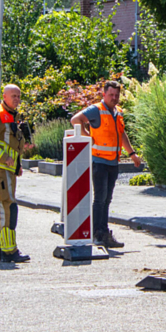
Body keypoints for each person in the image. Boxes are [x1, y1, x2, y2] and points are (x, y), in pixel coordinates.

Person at [70, 79, 142, 249]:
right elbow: (75, 120)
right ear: (104, 94)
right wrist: (88, 137)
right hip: (99, 161)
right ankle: (98, 233)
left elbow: (121, 134)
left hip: (113, 162)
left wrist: (132, 154)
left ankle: (104, 232)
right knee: (100, 199)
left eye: (116, 95)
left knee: (107, 199)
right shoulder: (96, 110)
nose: (114, 98)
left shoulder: (118, 112)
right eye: (111, 95)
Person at [0, 84, 34, 263]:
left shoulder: (11, 115)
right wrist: (3, 158)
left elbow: (11, 143)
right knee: (7, 206)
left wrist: (17, 164)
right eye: (13, 96)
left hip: (6, 169)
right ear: (4, 96)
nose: (17, 99)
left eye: (19, 96)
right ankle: (9, 251)